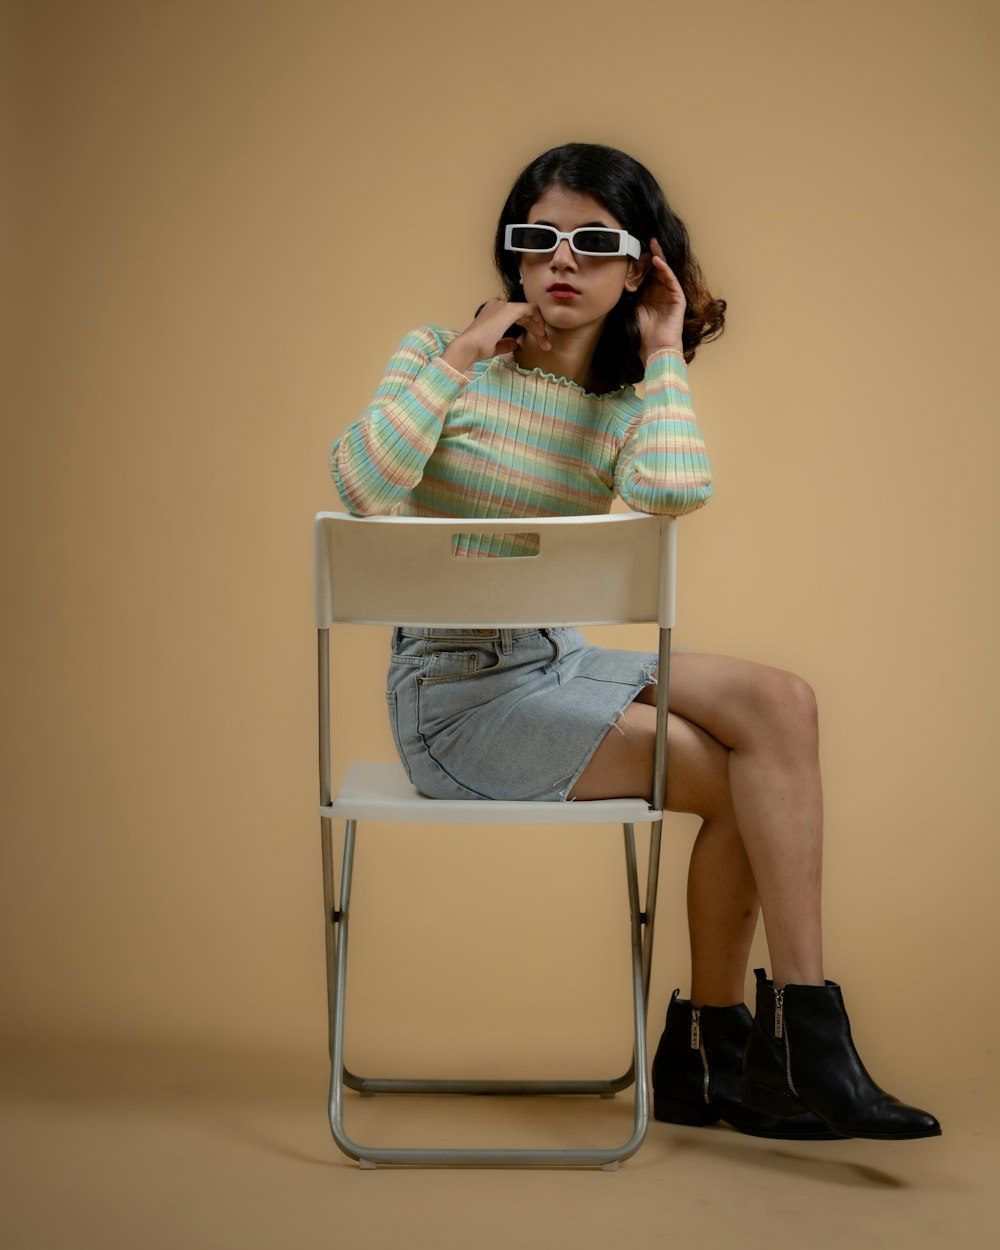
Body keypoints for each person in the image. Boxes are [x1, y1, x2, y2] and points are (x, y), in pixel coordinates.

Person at [329, 142, 940, 1142]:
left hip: (553, 659)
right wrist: (458, 358)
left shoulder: (620, 409)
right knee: (741, 770)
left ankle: (780, 1029)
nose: (559, 261)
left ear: (636, 266)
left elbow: (670, 490)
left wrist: (662, 350)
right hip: (454, 699)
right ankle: (730, 1046)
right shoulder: (434, 359)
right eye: (536, 239)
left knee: (780, 706)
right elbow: (360, 484)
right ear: (512, 260)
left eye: (591, 242)